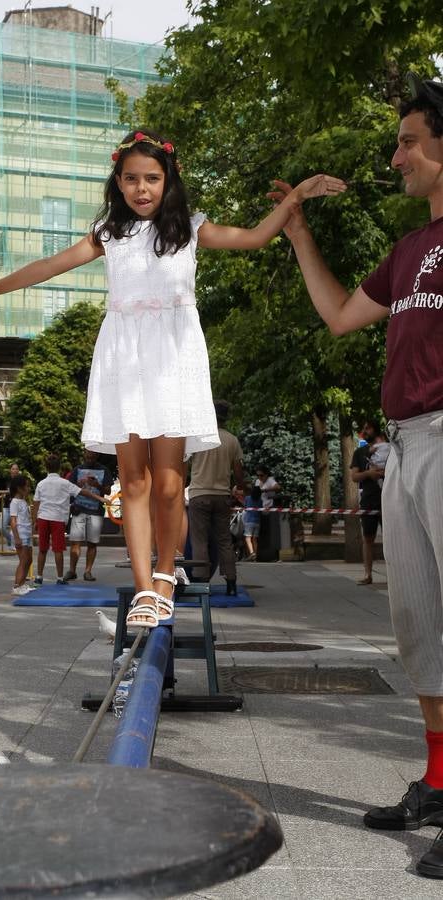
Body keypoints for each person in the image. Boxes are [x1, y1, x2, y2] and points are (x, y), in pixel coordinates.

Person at [0, 127, 344, 628]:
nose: (141, 188)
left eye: (151, 178)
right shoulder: (108, 235)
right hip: (124, 359)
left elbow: (257, 236)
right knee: (133, 479)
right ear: (118, 181)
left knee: (172, 484)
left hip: (174, 358)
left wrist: (298, 198)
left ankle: (165, 574)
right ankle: (144, 589)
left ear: (167, 179)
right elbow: (49, 265)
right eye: (131, 178)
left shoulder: (191, 229)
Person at [270, 75, 443, 878]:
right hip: (405, 447)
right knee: (418, 626)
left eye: (409, 140)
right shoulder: (409, 253)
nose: (397, 155)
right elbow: (340, 316)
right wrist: (298, 231)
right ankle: (439, 783)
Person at [188, 400, 245, 595]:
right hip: (222, 495)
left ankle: (202, 581)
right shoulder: (231, 440)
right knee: (223, 540)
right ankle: (231, 581)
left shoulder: (198, 439)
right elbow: (238, 471)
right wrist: (240, 488)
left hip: (199, 494)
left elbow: (184, 465)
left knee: (199, 540)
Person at [33, 453, 106, 585]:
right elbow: (84, 492)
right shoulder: (65, 483)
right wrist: (100, 498)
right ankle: (60, 578)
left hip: (43, 518)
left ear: (46, 467)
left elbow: (36, 504)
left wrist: (34, 521)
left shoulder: (41, 484)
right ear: (60, 468)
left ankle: (39, 577)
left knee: (42, 549)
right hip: (58, 519)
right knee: (58, 549)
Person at [63, 450, 113, 582]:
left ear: (97, 455)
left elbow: (108, 491)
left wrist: (97, 485)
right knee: (75, 542)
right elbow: (69, 488)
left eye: (92, 456)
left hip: (96, 510)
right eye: (88, 456)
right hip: (79, 509)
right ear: (84, 455)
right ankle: (72, 570)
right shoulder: (77, 469)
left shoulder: (104, 470)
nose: (90, 458)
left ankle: (88, 571)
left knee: (92, 543)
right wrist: (78, 485)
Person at [350, 419, 385, 585]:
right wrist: (369, 474)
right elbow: (354, 477)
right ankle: (367, 574)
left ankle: (395, 574)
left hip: (389, 497)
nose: (365, 431)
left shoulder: (389, 448)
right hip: (369, 499)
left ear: (376, 429)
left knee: (392, 537)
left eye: (368, 428)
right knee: (368, 538)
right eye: (364, 428)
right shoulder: (360, 452)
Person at [9, 474, 34, 596]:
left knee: (29, 560)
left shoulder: (23, 500)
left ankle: (23, 584)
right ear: (19, 488)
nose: (29, 489)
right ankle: (17, 586)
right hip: (21, 534)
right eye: (27, 486)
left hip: (27, 534)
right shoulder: (15, 502)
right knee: (23, 561)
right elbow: (13, 521)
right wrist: (17, 538)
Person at [2, 462, 21, 549]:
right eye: (13, 469)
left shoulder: (21, 481)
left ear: (18, 470)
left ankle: (12, 545)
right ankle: (10, 540)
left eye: (16, 469)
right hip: (6, 507)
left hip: (16, 507)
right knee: (1, 527)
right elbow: (3, 492)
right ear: (10, 470)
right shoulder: (7, 480)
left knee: (15, 527)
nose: (15, 470)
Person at [243, 484, 263, 561]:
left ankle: (252, 553)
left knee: (248, 538)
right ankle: (255, 555)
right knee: (255, 539)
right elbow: (261, 509)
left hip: (249, 521)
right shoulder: (260, 500)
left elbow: (245, 506)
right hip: (257, 521)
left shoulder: (247, 498)